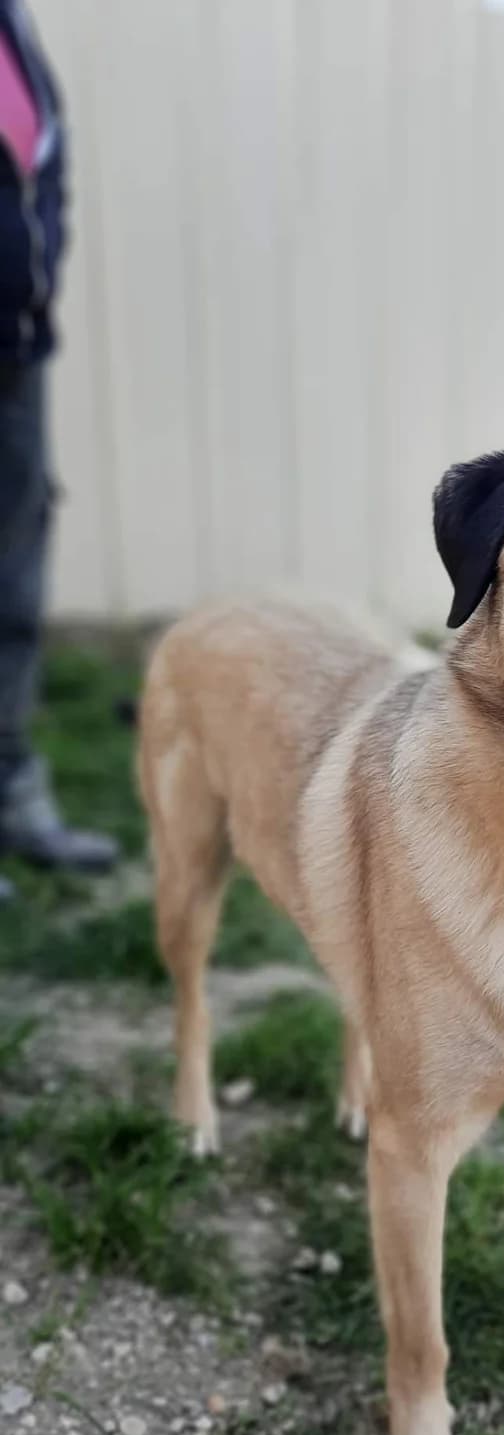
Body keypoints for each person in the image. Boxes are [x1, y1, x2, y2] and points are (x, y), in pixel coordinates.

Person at [0, 0, 115, 902]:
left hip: (16, 351)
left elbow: (44, 168)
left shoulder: (14, 27)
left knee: (14, 576)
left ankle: (11, 787)